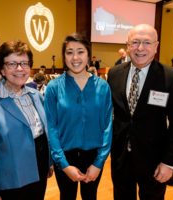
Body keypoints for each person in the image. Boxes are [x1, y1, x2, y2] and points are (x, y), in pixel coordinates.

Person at [107, 24, 173, 200]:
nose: (140, 48)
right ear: (127, 46)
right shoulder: (114, 74)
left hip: (155, 160)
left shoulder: (171, 77)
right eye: (135, 42)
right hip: (121, 158)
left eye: (147, 42)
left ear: (156, 46)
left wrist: (169, 162)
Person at [0, 40, 53, 200]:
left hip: (40, 167)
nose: (19, 68)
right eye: (12, 64)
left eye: (24, 63)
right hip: (13, 179)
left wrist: (48, 162)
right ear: (2, 69)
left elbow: (43, 132)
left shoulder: (36, 96)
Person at [44, 33, 113, 200]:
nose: (75, 57)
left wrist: (99, 162)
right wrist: (64, 165)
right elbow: (51, 128)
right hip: (64, 156)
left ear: (88, 55)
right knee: (66, 196)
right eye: (69, 52)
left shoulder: (102, 87)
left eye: (80, 51)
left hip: (94, 156)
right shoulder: (54, 87)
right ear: (64, 56)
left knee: (90, 196)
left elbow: (107, 127)